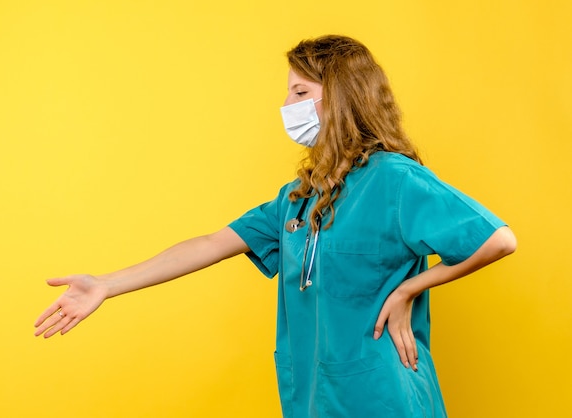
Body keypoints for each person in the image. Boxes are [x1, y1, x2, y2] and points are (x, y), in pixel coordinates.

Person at [34, 35, 516, 417]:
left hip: (382, 395)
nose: (288, 104)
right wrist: (106, 284)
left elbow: (497, 239)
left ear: (342, 97)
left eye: (300, 92)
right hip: (312, 399)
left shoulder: (393, 179)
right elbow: (209, 244)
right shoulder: (299, 198)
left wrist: (409, 290)